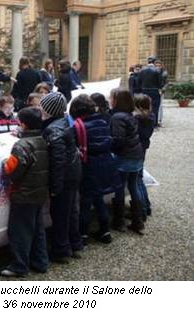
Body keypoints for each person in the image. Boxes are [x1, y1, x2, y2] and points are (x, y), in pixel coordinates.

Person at [0, 107, 49, 277]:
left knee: (20, 231)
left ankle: (19, 265)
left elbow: (12, 171)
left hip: (23, 194)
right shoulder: (43, 139)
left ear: (23, 124)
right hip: (40, 191)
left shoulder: (21, 146)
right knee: (38, 229)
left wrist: (5, 164)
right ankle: (40, 262)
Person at [40, 92, 82, 263]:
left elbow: (58, 161)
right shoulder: (64, 122)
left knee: (60, 215)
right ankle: (75, 243)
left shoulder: (53, 129)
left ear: (49, 110)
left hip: (64, 178)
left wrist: (55, 188)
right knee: (71, 211)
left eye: (42, 107)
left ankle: (61, 250)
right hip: (73, 173)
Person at [70, 95, 114, 245]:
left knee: (85, 202)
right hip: (105, 164)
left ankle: (83, 235)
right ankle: (105, 231)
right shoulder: (102, 121)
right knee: (99, 199)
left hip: (88, 167)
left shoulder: (77, 126)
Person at [109, 88, 145, 235]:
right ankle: (138, 221)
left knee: (119, 188)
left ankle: (119, 221)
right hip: (136, 155)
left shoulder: (117, 117)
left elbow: (118, 140)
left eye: (111, 98)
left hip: (124, 157)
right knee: (134, 186)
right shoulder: (131, 115)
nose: (109, 100)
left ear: (117, 101)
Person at [134, 94, 155, 220]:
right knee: (139, 178)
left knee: (137, 180)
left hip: (136, 149)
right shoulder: (151, 116)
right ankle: (146, 206)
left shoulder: (137, 118)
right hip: (143, 148)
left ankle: (142, 209)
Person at [139, 56, 162, 127]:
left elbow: (139, 82)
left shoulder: (142, 70)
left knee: (144, 107)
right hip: (154, 91)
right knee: (155, 108)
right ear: (154, 62)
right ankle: (154, 124)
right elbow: (160, 83)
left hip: (144, 90)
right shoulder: (157, 70)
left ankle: (144, 122)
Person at [154, 59, 168, 127]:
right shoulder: (152, 72)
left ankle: (159, 121)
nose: (158, 67)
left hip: (161, 91)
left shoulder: (164, 73)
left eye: (159, 65)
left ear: (161, 66)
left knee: (160, 106)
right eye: (156, 65)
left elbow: (166, 83)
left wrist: (162, 90)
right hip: (153, 91)